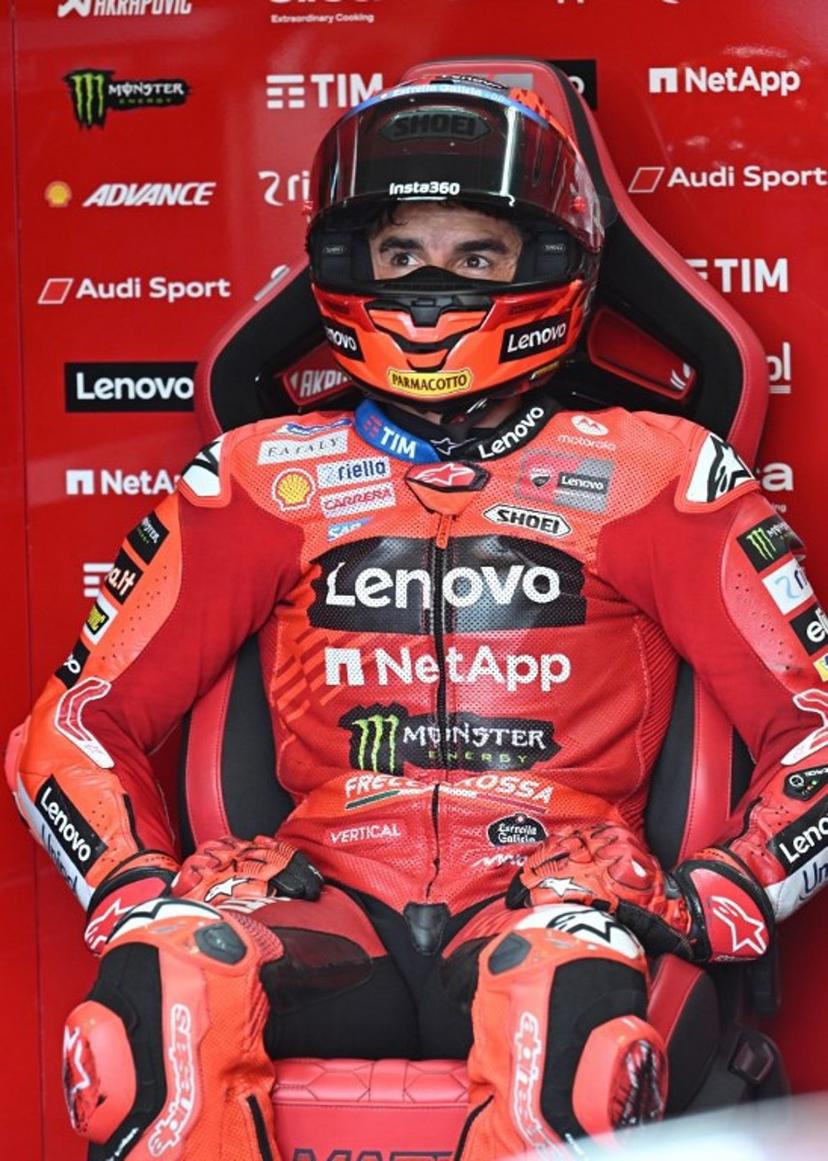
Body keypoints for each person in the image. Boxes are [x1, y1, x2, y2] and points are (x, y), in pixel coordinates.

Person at [6, 73, 828, 1160]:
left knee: (560, 1021)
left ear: (551, 266)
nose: (431, 289)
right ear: (346, 272)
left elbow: (817, 729)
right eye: (400, 255)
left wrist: (716, 894)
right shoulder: (257, 476)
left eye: (474, 255)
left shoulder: (660, 473)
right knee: (153, 1002)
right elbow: (70, 727)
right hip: (324, 912)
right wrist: (135, 884)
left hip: (559, 909)